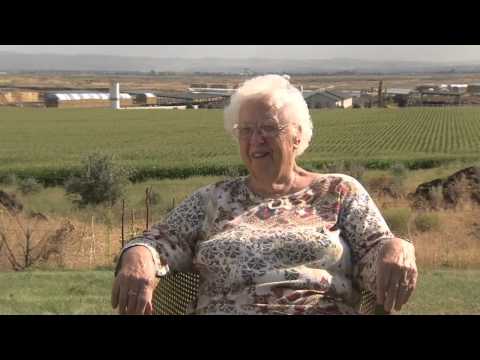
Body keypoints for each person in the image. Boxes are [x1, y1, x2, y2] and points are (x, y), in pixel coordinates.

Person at [111, 74, 418, 315]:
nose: (256, 140)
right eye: (246, 130)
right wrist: (138, 255)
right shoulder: (213, 199)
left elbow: (377, 251)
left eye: (269, 128)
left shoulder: (338, 191)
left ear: (297, 135)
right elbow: (159, 240)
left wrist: (397, 245)